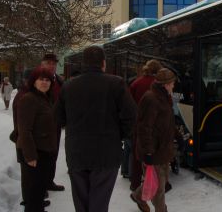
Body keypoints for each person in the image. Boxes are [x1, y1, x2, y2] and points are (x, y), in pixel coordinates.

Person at [55, 46, 136, 212]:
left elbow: (57, 118)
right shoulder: (116, 84)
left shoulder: (68, 86)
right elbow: (131, 117)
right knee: (99, 202)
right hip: (106, 154)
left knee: (81, 203)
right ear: (103, 63)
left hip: (76, 153)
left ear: (83, 64)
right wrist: (117, 136)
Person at [131, 68, 177, 212]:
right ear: (165, 84)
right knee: (159, 188)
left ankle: (138, 196)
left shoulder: (165, 97)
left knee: (157, 183)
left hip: (163, 149)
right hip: (154, 150)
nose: (174, 86)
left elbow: (166, 122)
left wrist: (178, 136)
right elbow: (144, 128)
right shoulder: (151, 99)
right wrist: (148, 152)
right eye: (172, 83)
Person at [16, 67, 57, 212]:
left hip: (43, 151)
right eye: (41, 79)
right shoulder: (29, 99)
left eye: (47, 80)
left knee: (39, 192)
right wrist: (31, 156)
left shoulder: (44, 98)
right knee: (34, 194)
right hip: (34, 154)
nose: (44, 83)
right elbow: (24, 130)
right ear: (34, 82)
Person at [129, 59, 162, 191]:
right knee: (155, 154)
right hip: (155, 125)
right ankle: (155, 183)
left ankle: (135, 183)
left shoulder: (136, 83)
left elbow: (129, 103)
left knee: (137, 154)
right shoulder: (158, 85)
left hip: (138, 124)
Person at [41, 52, 65, 191]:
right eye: (48, 63)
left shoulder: (60, 81)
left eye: (53, 63)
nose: (51, 66)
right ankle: (41, 187)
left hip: (55, 125)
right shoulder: (37, 80)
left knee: (53, 155)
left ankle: (49, 181)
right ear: (42, 64)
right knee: (42, 156)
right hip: (41, 126)